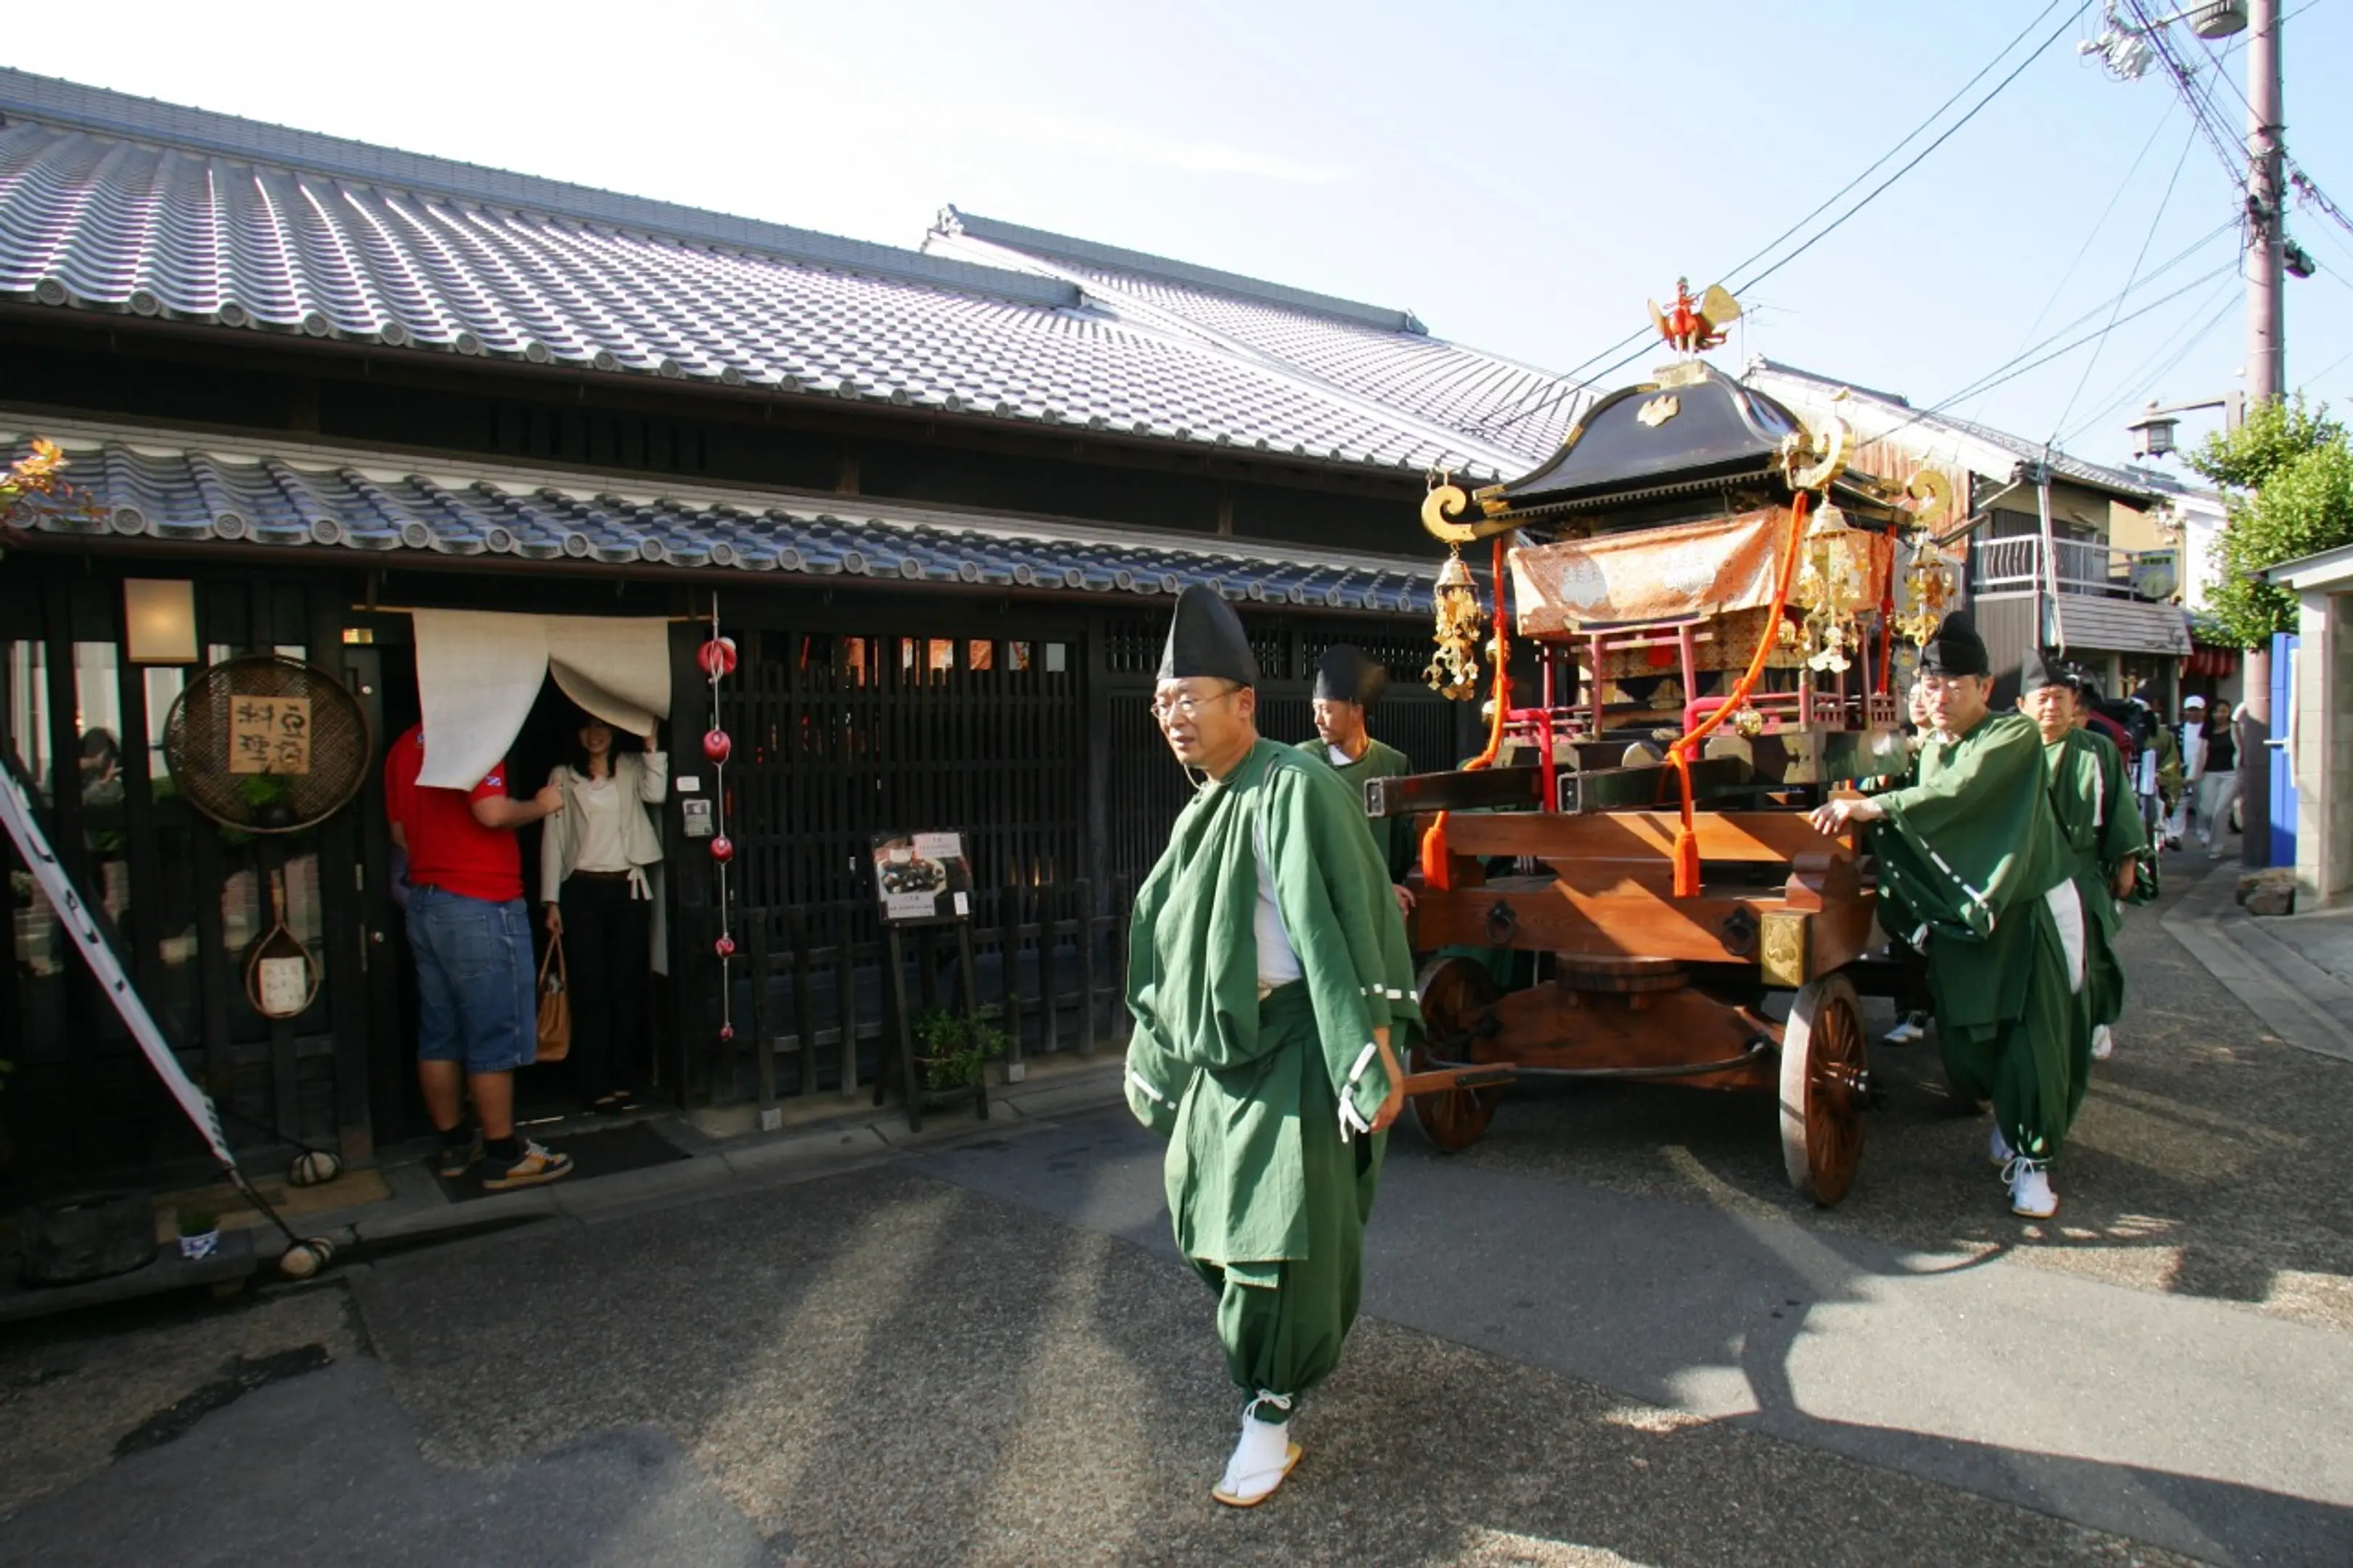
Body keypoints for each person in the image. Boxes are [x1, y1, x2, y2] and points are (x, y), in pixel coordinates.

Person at [1122, 586, 1417, 1508]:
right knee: (1205, 1225)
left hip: (1295, 1046)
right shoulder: (1204, 806)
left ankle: (1269, 1415)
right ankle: (1262, 1390)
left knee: (1273, 1249)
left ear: (1244, 705)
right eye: (1163, 703)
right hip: (1224, 1055)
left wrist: (1366, 1051)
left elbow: (1345, 927)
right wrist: (1156, 1049)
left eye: (1189, 699)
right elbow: (1172, 945)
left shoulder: (1297, 786)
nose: (1173, 718)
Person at [1811, 613, 2088, 1219]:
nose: (1939, 699)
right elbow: (1889, 782)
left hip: (2019, 912)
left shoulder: (2009, 737)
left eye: (1954, 687)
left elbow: (1959, 792)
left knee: (2029, 1044)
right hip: (1959, 921)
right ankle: (2010, 1118)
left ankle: (2032, 1163)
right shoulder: (1927, 747)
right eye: (1929, 687)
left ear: (1986, 689)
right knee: (1966, 1047)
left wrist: (1876, 806)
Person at [385, 724, 574, 1191]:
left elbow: (399, 832)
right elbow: (490, 812)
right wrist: (541, 805)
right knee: (492, 1029)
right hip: (480, 902)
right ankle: (503, 1153)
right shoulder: (476, 737)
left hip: (427, 900)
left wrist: (441, 854)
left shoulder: (404, 746)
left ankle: (454, 1144)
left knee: (439, 1032)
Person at [542, 711, 668, 1114]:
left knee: (627, 985)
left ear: (613, 730)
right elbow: (553, 838)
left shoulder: (630, 767)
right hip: (580, 888)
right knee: (590, 986)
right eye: (587, 727)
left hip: (627, 885)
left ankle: (625, 1077)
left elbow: (657, 795)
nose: (595, 735)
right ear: (577, 735)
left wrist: (651, 746)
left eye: (602, 726)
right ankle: (593, 1083)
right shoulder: (563, 774)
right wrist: (551, 901)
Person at [2023, 657, 2142, 1066]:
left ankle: (2096, 1022)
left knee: (2093, 949)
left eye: (2060, 698)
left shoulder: (2098, 749)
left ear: (2075, 703)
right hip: (2030, 869)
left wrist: (2126, 862)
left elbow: (2120, 808)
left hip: (2081, 866)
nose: (2051, 707)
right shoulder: (2013, 751)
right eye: (2042, 699)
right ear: (2022, 705)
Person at [1299, 645, 1415, 915]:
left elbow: (1403, 847)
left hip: (1380, 907)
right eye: (1315, 709)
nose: (1317, 719)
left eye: (1326, 710)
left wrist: (1389, 886)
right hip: (1321, 905)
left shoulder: (1393, 763)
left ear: (1356, 709)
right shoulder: (1304, 763)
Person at [1880, 680, 1934, 1050]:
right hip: (1900, 854)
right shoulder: (1896, 743)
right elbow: (1870, 786)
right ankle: (1910, 1012)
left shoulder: (1953, 747)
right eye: (1911, 698)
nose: (1917, 703)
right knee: (1901, 932)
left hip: (1937, 855)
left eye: (1924, 696)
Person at [2198, 701, 2241, 859]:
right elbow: (2200, 755)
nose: (2220, 715)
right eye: (2217, 711)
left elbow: (2241, 750)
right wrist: (2193, 774)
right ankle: (2211, 836)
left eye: (2224, 711)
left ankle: (2217, 847)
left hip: (2230, 774)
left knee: (2220, 811)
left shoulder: (2235, 729)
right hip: (2210, 774)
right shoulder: (2207, 731)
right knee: (2207, 811)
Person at [2165, 694, 2209, 850]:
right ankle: (2175, 835)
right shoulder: (2177, 730)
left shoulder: (2208, 729)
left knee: (2203, 805)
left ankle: (2205, 835)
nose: (2193, 713)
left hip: (2203, 772)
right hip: (2182, 771)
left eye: (2197, 710)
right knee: (2179, 804)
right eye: (2190, 710)